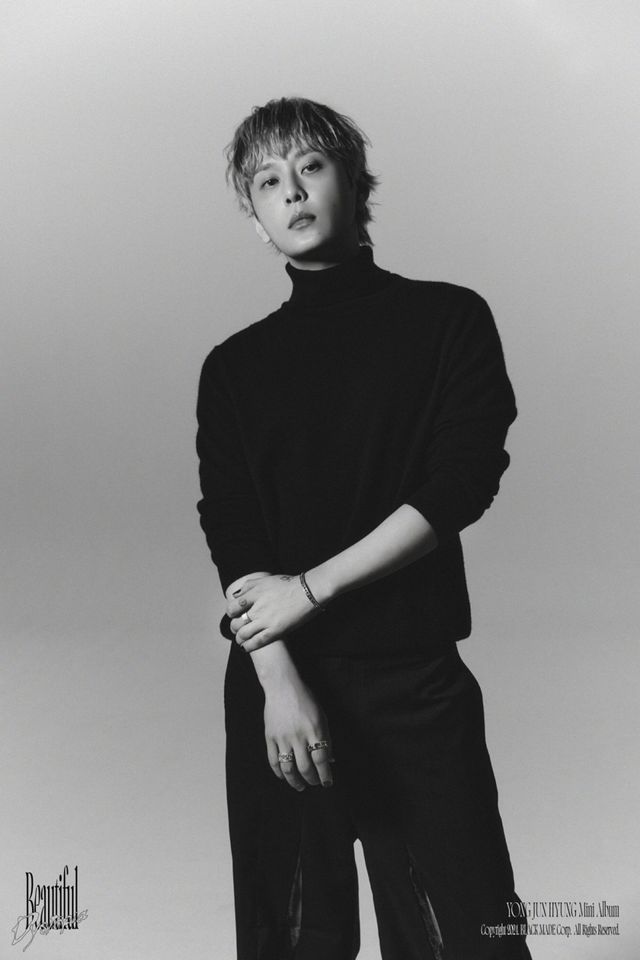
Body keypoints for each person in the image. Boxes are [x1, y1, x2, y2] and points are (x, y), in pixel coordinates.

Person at [196, 96, 531, 960]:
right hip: (279, 681)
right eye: (267, 181)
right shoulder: (232, 368)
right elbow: (232, 530)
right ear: (256, 219)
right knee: (292, 938)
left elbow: (460, 484)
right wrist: (276, 678)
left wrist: (311, 589)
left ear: (355, 182)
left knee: (470, 935)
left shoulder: (449, 319)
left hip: (412, 678)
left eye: (310, 166)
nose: (292, 191)